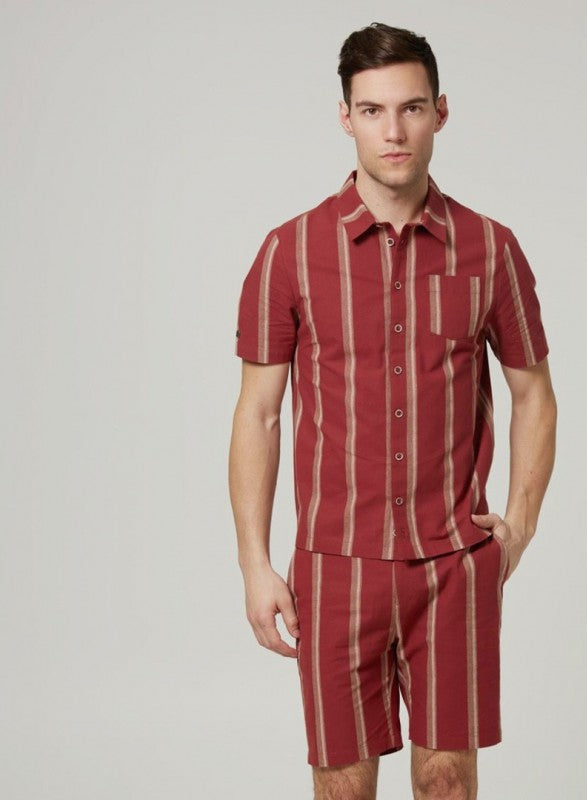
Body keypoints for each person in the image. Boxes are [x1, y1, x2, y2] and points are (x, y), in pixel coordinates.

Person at [228, 21, 557, 800]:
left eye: (410, 108)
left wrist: (520, 523)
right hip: (336, 568)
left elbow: (534, 393)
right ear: (345, 117)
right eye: (373, 111)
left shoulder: (491, 249)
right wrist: (254, 564)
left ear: (440, 111)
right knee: (343, 787)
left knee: (448, 781)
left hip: (453, 565)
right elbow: (259, 416)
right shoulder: (289, 252)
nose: (394, 130)